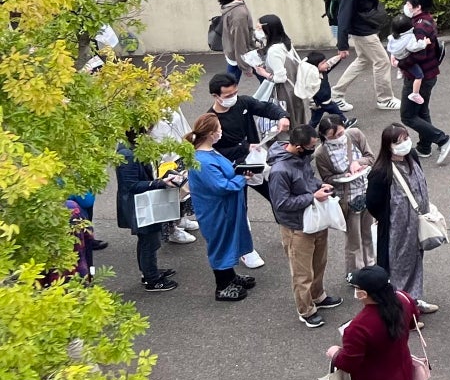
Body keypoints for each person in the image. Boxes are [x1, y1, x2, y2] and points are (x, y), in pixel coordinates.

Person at [328, 266, 422, 380]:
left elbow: (349, 362)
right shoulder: (403, 299)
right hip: (402, 370)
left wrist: (334, 353)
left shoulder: (358, 328)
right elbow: (413, 321)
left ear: (363, 294)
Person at [266, 123, 342, 327]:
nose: (313, 150)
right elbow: (281, 203)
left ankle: (318, 296)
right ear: (299, 146)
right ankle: (306, 310)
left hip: (315, 220)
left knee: (319, 262)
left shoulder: (301, 158)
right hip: (296, 227)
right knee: (302, 272)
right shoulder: (280, 171)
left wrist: (319, 186)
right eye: (311, 146)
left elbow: (308, 179)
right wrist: (312, 196)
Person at [186, 113, 256, 300]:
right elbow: (220, 186)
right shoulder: (202, 160)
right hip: (216, 211)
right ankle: (222, 286)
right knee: (221, 244)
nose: (221, 131)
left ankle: (230, 277)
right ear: (210, 133)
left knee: (228, 241)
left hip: (224, 208)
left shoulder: (209, 152)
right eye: (218, 128)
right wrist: (242, 178)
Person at [368, 122, 433, 313]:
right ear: (389, 145)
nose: (405, 144)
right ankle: (402, 310)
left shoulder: (411, 156)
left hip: (415, 222)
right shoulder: (381, 171)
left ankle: (414, 301)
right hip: (397, 228)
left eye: (406, 139)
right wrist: (388, 218)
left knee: (415, 261)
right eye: (399, 141)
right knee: (398, 266)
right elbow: (372, 202)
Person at [115, 131, 185, 292]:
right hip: (139, 207)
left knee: (148, 240)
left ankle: (148, 272)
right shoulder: (127, 154)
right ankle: (151, 279)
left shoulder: (131, 148)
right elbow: (131, 185)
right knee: (149, 241)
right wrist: (159, 183)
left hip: (141, 204)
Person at [330, 0, 396, 110]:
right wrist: (342, 44)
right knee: (382, 62)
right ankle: (385, 99)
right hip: (361, 29)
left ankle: (336, 94)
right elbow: (343, 14)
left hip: (367, 24)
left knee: (363, 60)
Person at [313, 113, 376, 282]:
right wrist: (343, 176)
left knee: (368, 232)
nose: (339, 138)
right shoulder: (321, 153)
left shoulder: (355, 135)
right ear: (324, 137)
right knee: (353, 238)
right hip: (347, 199)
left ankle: (370, 265)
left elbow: (370, 157)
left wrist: (359, 163)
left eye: (340, 133)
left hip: (367, 191)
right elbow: (326, 179)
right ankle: (356, 273)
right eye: (333, 136)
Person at [395, 0, 450, 163]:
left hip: (418, 76)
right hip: (429, 74)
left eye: (409, 4)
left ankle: (443, 139)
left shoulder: (419, 26)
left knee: (407, 116)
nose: (406, 6)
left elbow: (418, 54)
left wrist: (400, 62)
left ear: (418, 6)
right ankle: (424, 146)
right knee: (421, 110)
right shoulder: (426, 20)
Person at [216, 0, 266, 80]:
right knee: (267, 80)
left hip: (234, 53)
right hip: (244, 54)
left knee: (230, 83)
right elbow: (239, 40)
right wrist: (245, 67)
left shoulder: (231, 4)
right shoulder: (239, 13)